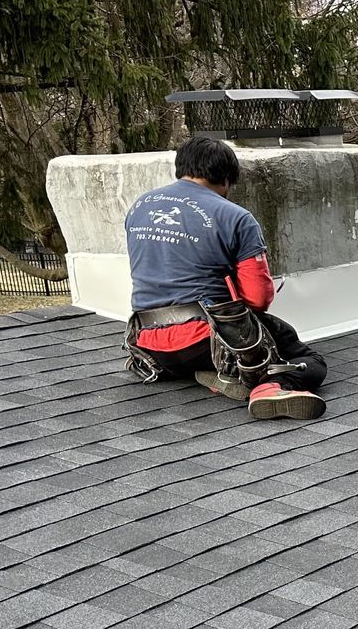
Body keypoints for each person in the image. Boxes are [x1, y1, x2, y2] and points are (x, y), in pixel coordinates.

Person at [121, 136, 327, 420]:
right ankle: (266, 388)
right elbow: (258, 298)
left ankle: (215, 375)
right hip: (205, 340)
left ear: (181, 168)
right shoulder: (236, 217)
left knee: (198, 350)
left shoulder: (140, 206)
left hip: (149, 346)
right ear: (227, 179)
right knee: (311, 362)